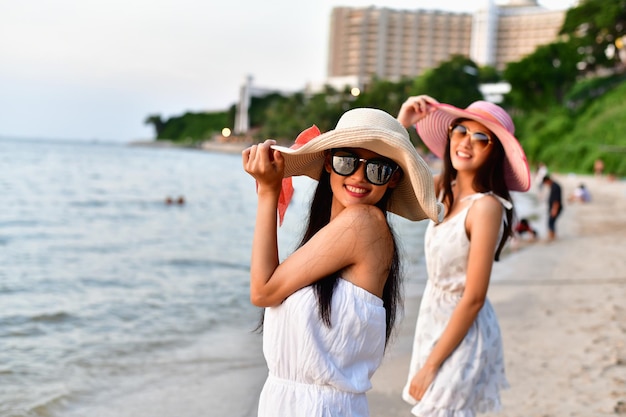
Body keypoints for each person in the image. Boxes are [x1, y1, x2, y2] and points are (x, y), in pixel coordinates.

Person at [242, 108, 443, 417]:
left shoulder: (364, 224)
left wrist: (269, 191)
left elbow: (263, 291)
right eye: (346, 161)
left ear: (393, 179)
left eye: (378, 169)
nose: (359, 176)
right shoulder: (335, 235)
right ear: (328, 163)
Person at [397, 95, 531, 416]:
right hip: (433, 321)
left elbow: (474, 297)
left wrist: (431, 365)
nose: (466, 143)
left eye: (481, 138)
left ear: (494, 152)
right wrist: (402, 124)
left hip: (463, 331)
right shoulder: (445, 188)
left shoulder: (486, 207)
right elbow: (389, 182)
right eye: (460, 131)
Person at [542, 174, 563, 240]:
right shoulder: (553, 186)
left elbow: (556, 200)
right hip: (553, 207)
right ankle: (552, 235)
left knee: (551, 222)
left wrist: (554, 210)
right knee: (552, 222)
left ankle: (552, 236)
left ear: (547, 181)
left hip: (555, 208)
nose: (546, 184)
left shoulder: (555, 187)